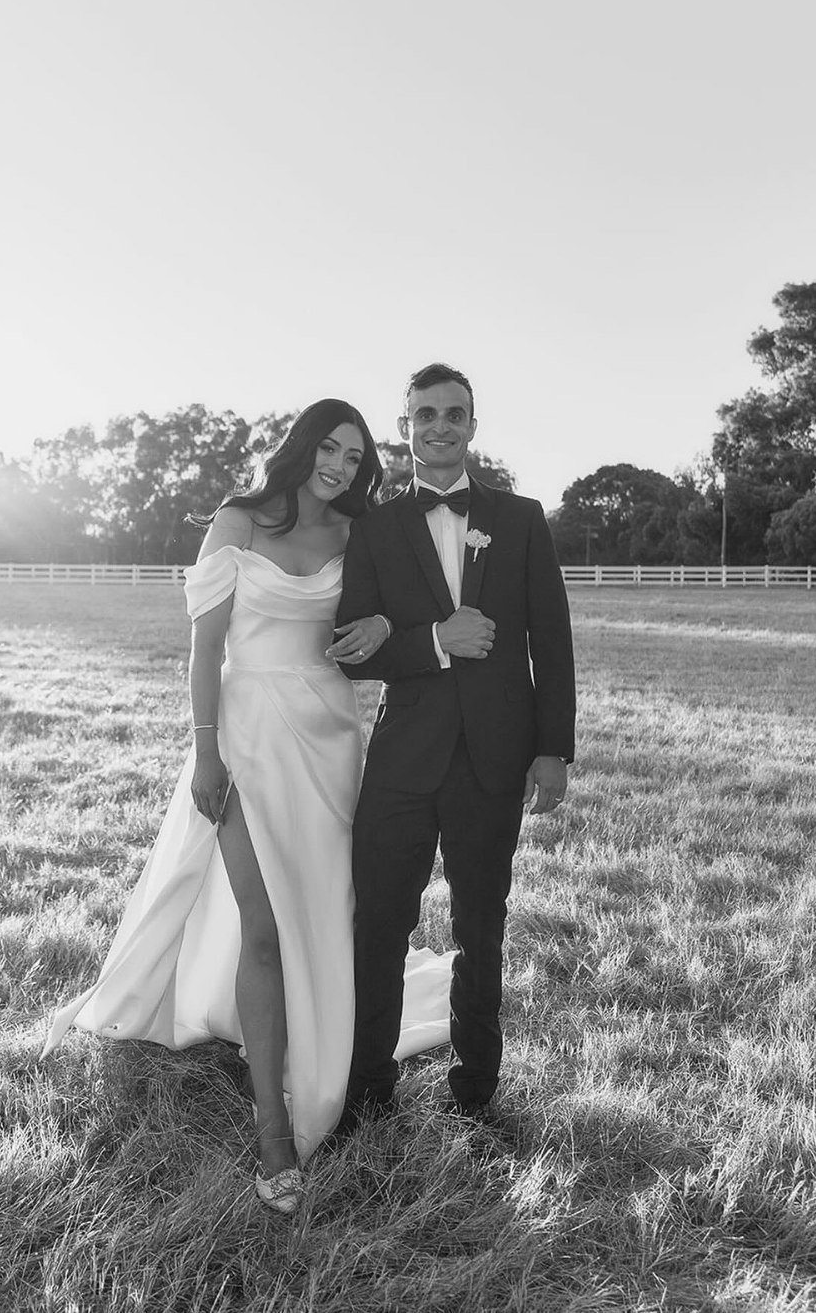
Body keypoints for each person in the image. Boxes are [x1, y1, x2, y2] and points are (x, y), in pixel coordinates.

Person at [42, 399, 452, 1215]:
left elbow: (399, 616)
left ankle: (324, 1041)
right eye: (328, 448)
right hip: (245, 733)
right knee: (261, 922)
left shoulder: (356, 531)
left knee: (323, 912)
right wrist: (205, 748)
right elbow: (206, 646)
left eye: (353, 455)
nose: (338, 465)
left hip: (330, 740)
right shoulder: (237, 520)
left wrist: (375, 619)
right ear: (302, 447)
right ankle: (273, 1130)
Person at [333, 363, 576, 1125]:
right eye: (424, 414)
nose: (439, 425)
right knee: (379, 922)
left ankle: (476, 1091)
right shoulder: (373, 528)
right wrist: (435, 642)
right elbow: (358, 649)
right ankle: (369, 1088)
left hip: (495, 755)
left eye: (454, 413)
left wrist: (552, 748)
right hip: (403, 757)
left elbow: (552, 640)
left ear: (473, 424)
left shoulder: (522, 517)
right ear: (403, 427)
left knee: (481, 921)